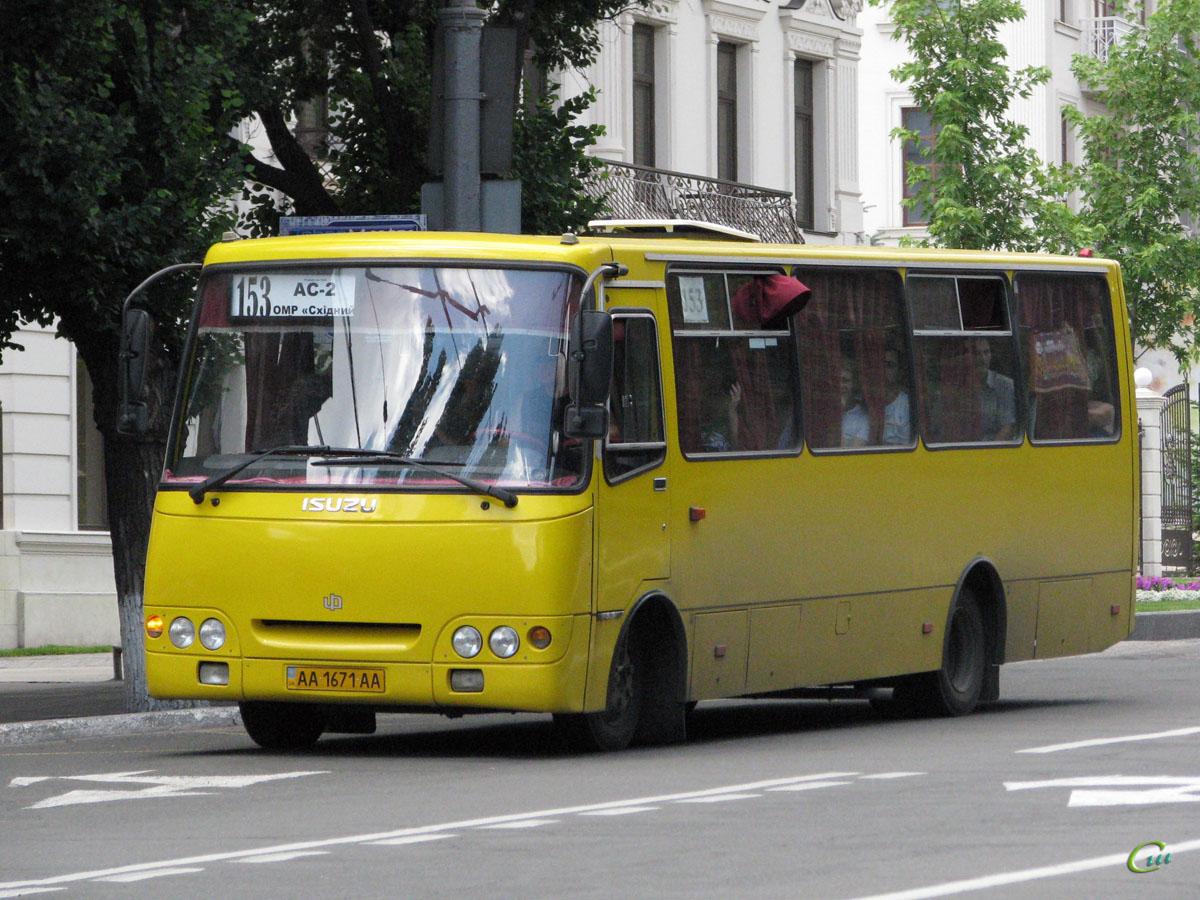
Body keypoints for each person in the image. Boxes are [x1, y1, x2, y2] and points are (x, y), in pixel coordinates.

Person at [975, 338, 1016, 441]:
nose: (982, 358)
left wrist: (987, 454)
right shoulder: (958, 385)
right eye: (977, 353)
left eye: (986, 352)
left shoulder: (1005, 385)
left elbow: (1008, 427)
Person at [881, 345, 911, 445]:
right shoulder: (864, 400)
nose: (884, 370)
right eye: (881, 365)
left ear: (900, 372)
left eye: (890, 365)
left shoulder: (906, 404)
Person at [840, 360, 869, 448]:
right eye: (836, 380)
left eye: (845, 381)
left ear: (854, 384)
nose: (840, 385)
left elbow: (849, 457)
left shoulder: (863, 418)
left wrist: (837, 416)